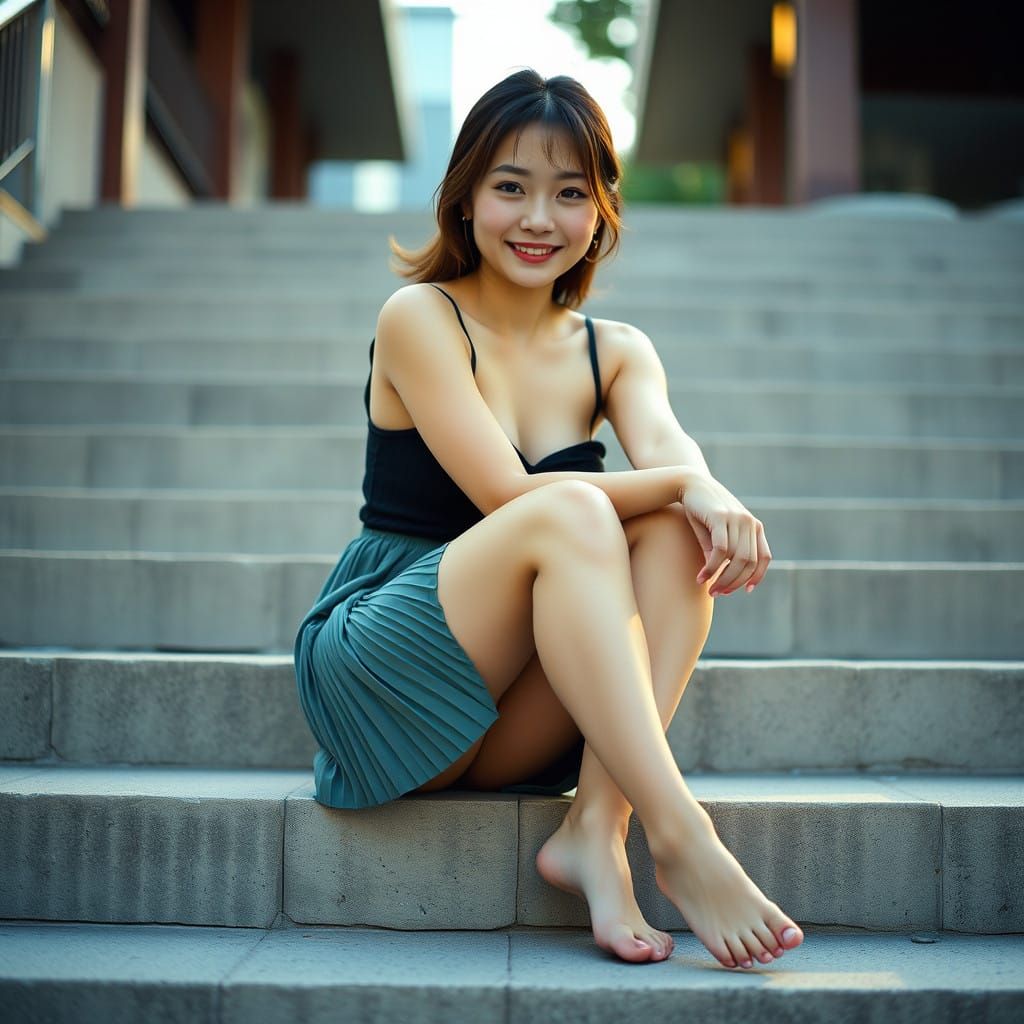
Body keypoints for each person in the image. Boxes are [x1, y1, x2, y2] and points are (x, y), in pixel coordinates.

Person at [294, 68, 804, 971]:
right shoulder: (421, 315)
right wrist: (690, 482)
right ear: (465, 200)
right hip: (385, 668)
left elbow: (670, 455)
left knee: (673, 530)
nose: (539, 219)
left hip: (516, 712)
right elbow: (507, 498)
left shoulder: (619, 352)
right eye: (511, 188)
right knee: (574, 508)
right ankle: (681, 835)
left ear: (602, 210)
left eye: (570, 193)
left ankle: (596, 830)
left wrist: (703, 489)